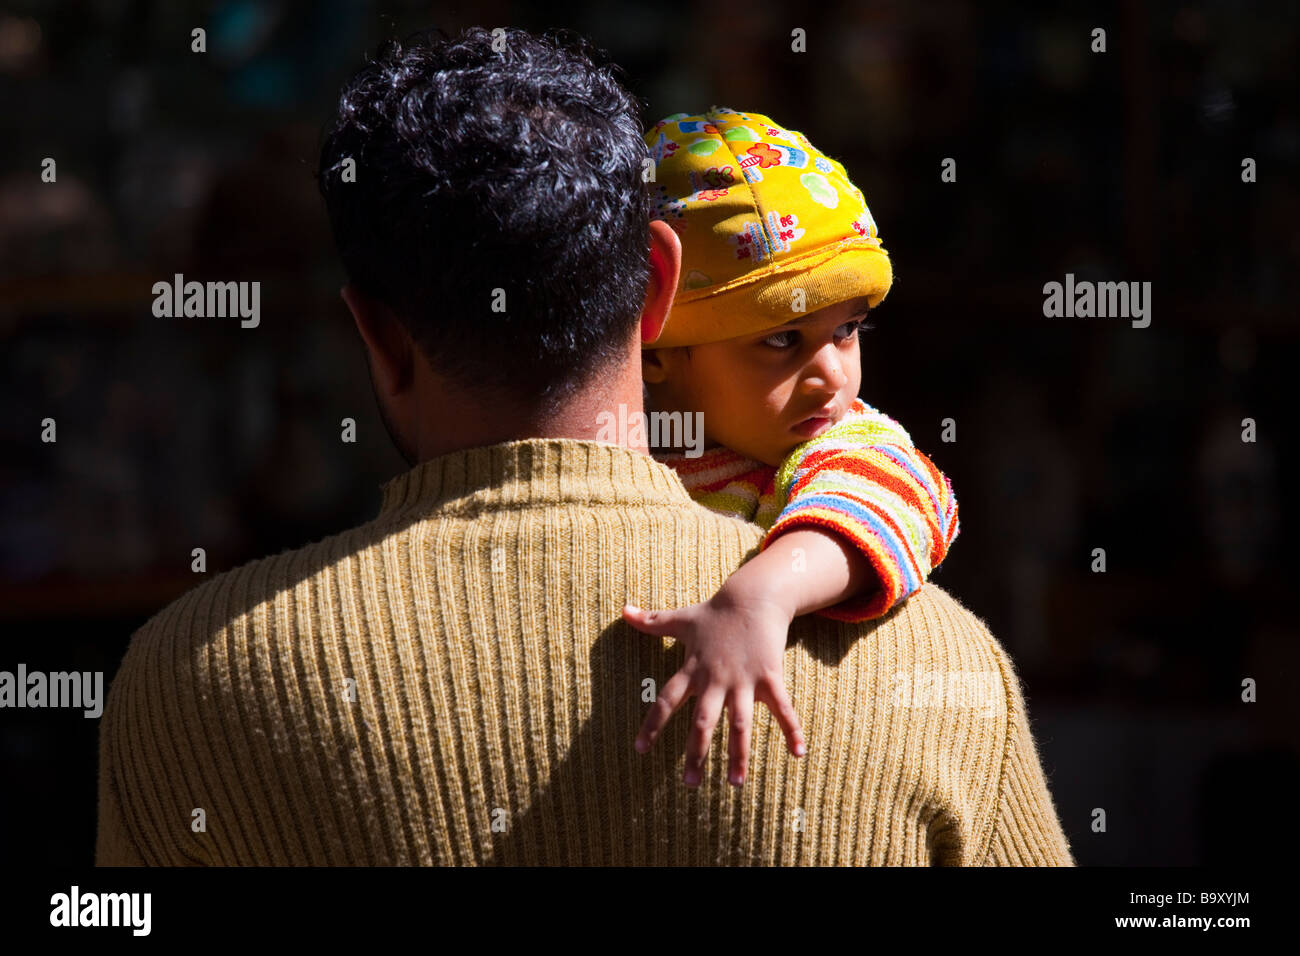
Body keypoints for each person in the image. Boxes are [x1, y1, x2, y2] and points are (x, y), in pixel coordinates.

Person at [95, 26, 1074, 865]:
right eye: (784, 336)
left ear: (376, 336)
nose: (828, 375)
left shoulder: (185, 681)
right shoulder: (934, 663)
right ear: (656, 291)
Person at [625, 108, 960, 786]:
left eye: (847, 331)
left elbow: (893, 499)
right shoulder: (630, 453)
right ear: (657, 351)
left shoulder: (846, 443)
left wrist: (762, 597)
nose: (833, 375)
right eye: (782, 340)